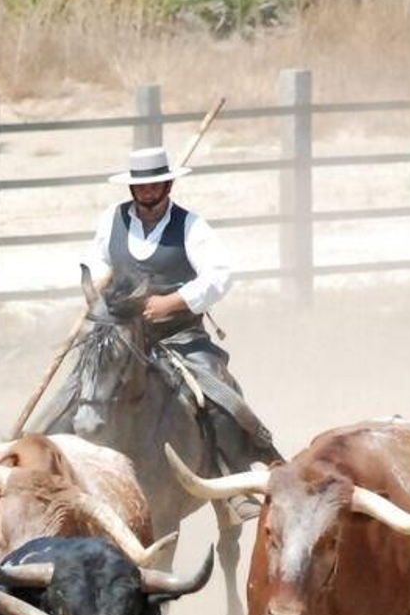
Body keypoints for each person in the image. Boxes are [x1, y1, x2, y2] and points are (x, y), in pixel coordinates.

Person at [88, 145, 280, 504]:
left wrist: (172, 303)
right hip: (120, 333)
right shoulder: (111, 219)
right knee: (82, 385)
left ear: (168, 186)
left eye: (155, 185)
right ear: (132, 189)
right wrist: (101, 285)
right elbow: (97, 260)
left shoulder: (190, 226)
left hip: (179, 337)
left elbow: (220, 274)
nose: (147, 193)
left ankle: (234, 479)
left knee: (220, 396)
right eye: (141, 187)